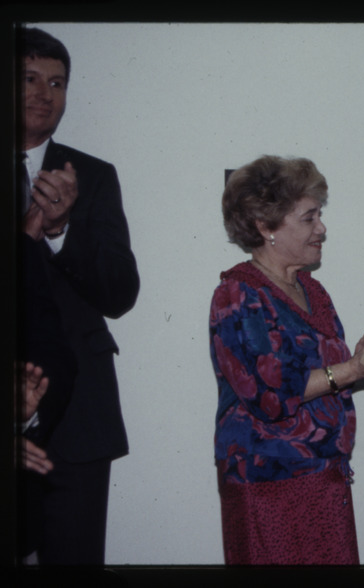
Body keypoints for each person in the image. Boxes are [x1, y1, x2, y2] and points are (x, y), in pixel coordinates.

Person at [210, 155, 364, 565]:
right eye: (308, 218)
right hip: (269, 485)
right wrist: (355, 369)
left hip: (324, 479)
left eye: (319, 215)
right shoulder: (238, 293)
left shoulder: (313, 290)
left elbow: (327, 377)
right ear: (264, 226)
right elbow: (271, 396)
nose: (322, 228)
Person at [17, 27, 140, 565]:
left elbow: (121, 292)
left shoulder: (91, 175)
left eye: (58, 82)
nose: (44, 93)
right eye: (28, 77)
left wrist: (64, 227)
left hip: (78, 420)